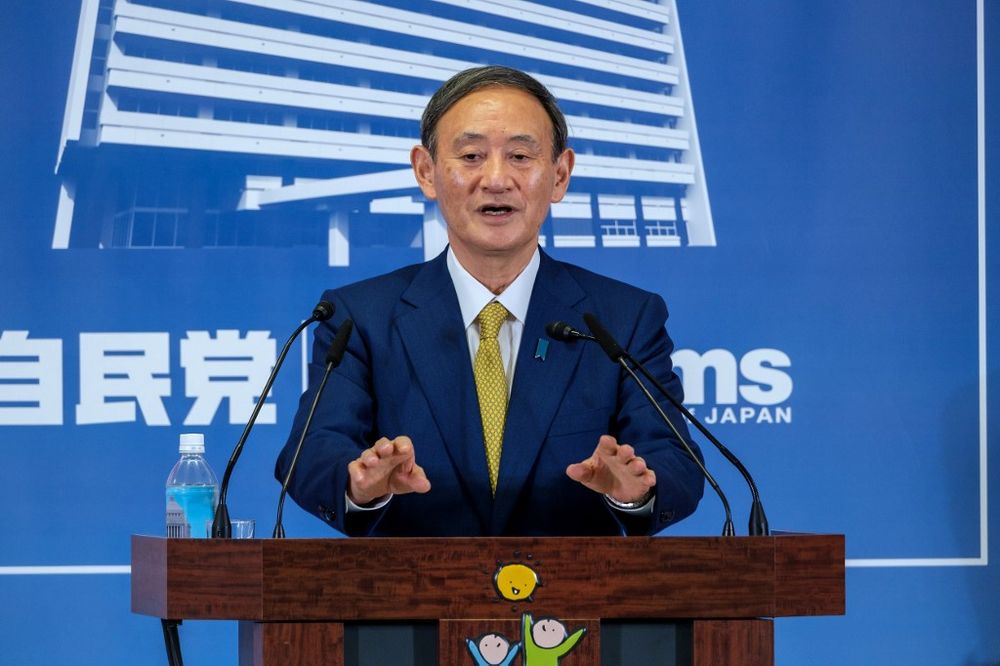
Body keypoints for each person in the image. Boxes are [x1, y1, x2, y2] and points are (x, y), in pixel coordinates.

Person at [275, 66, 704, 536]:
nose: (496, 179)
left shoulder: (621, 319)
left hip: (573, 584)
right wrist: (360, 485)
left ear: (560, 175)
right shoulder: (361, 317)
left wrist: (635, 491)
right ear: (426, 172)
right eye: (471, 156)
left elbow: (675, 462)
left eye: (520, 156)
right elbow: (311, 454)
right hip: (415, 582)